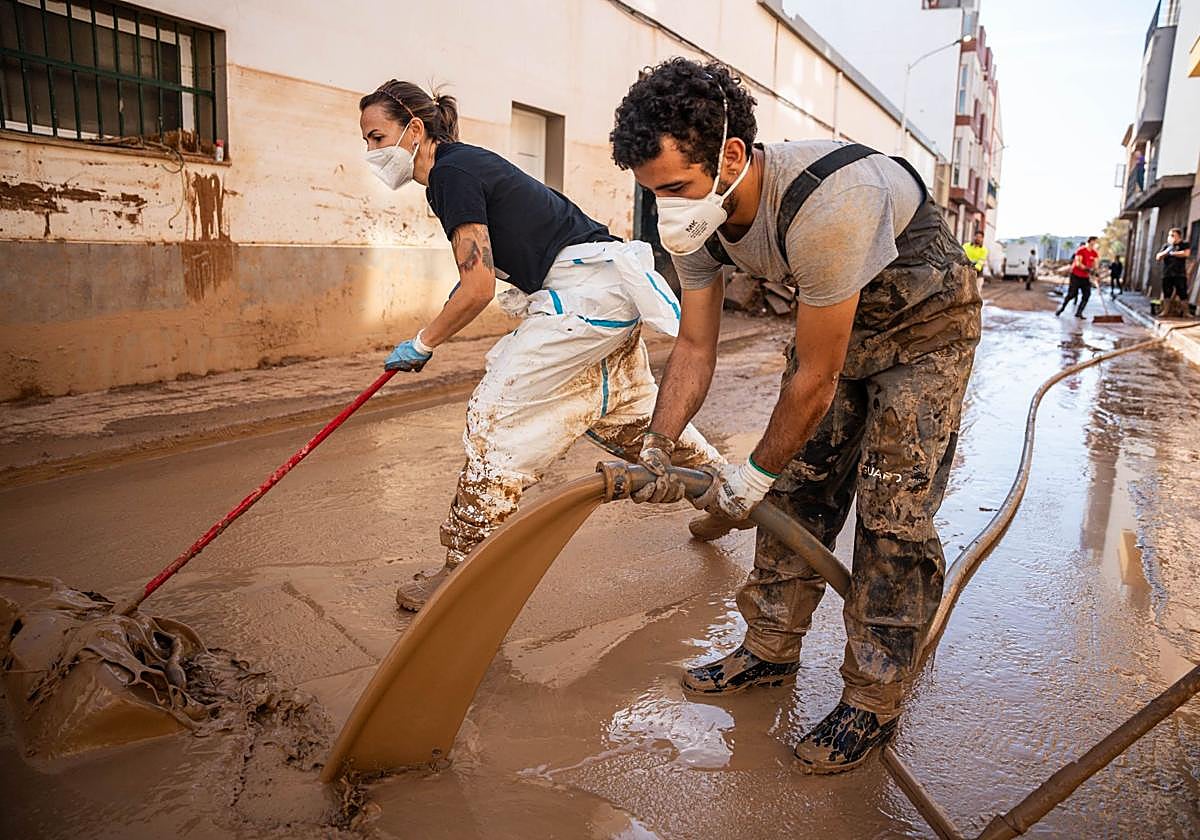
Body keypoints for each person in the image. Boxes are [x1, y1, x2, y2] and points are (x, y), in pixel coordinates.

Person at [610, 58, 980, 774]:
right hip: (836, 321)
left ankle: (872, 696)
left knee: (890, 508)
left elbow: (815, 377)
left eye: (677, 188)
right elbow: (693, 346)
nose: (667, 209)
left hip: (924, 329)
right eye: (652, 192)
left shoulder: (828, 204)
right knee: (798, 489)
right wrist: (658, 446)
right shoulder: (702, 222)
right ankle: (769, 649)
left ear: (732, 157)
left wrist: (749, 473)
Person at [359, 79, 725, 611]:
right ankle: (724, 496)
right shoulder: (463, 165)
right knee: (624, 414)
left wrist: (423, 341)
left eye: (376, 137)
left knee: (497, 418)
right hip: (604, 294)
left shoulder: (448, 173)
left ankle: (460, 573)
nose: (372, 152)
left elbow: (478, 286)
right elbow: (481, 272)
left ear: (414, 130)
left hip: (584, 298)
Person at [1055, 236, 1098, 318]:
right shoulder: (1081, 250)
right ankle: (1062, 308)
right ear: (1090, 242)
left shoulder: (1094, 253)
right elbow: (1078, 263)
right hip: (1076, 275)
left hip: (1085, 277)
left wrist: (1095, 272)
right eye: (1094, 242)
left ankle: (1079, 312)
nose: (1094, 244)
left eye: (1095, 243)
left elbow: (1095, 264)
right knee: (1072, 294)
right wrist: (1087, 269)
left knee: (1087, 294)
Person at [1155, 229, 1192, 317]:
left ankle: (1186, 312)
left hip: (1179, 273)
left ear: (1178, 236)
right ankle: (1165, 311)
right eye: (1169, 235)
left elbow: (1186, 254)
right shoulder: (1166, 246)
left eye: (1172, 235)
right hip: (1167, 273)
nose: (1170, 237)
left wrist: (1171, 253)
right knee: (1167, 293)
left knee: (1183, 293)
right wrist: (1167, 251)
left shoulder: (1184, 244)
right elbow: (1158, 257)